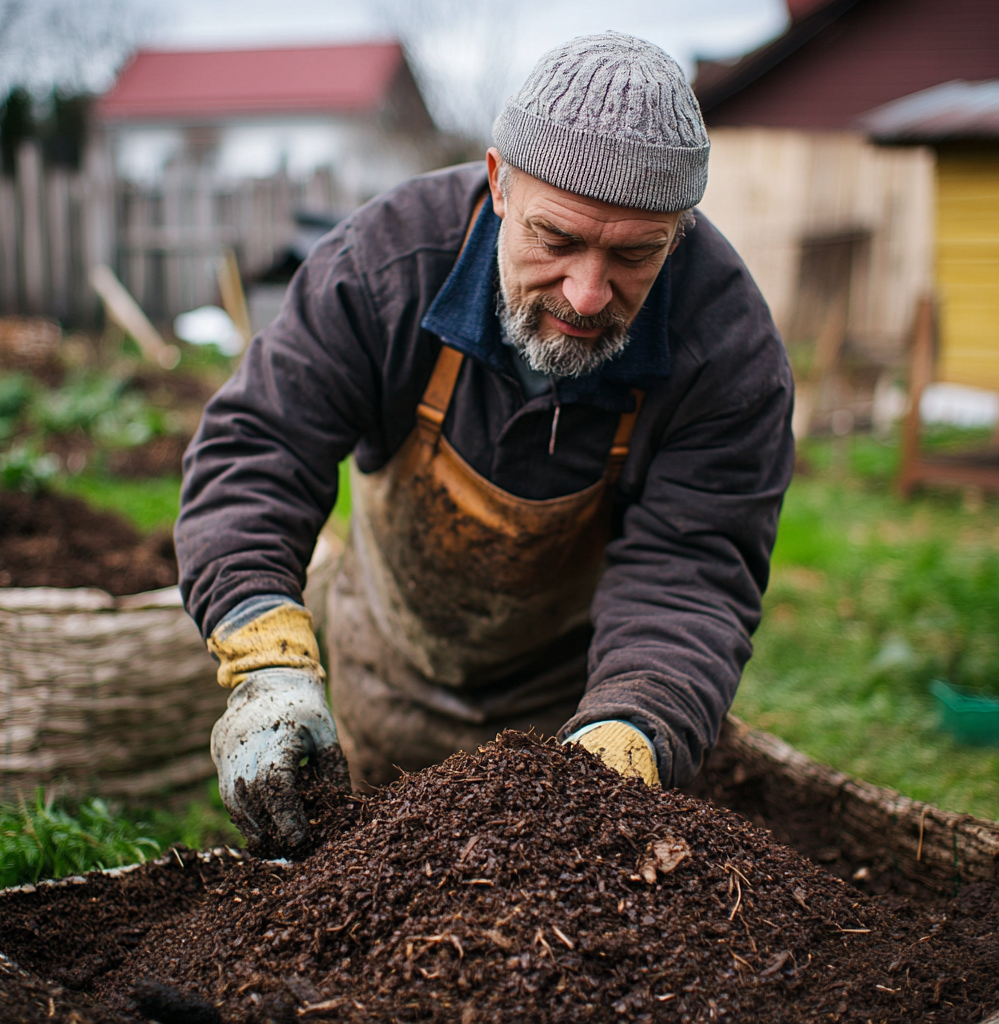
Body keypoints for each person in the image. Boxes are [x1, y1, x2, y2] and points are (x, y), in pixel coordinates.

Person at [176, 32, 794, 854]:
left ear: (676, 235)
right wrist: (266, 663)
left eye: (634, 254)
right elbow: (260, 448)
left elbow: (692, 575)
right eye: (558, 240)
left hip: (577, 714)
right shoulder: (385, 267)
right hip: (384, 678)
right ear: (501, 183)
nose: (586, 291)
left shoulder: (727, 351)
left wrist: (619, 746)